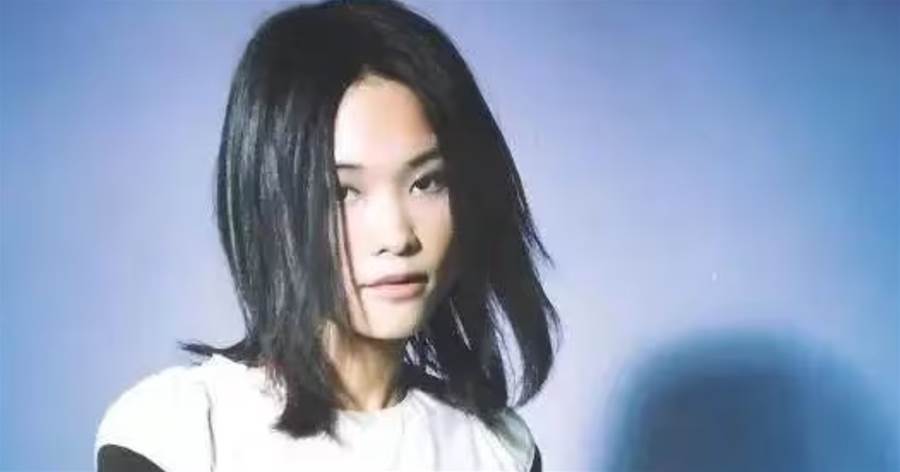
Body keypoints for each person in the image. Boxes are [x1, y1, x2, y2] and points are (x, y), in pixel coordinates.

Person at [94, 1, 559, 470]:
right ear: (269, 206)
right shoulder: (175, 435)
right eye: (342, 192)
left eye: (427, 182)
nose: (397, 236)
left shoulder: (499, 450)